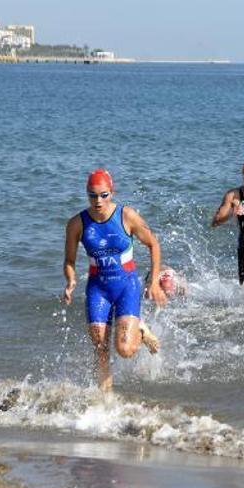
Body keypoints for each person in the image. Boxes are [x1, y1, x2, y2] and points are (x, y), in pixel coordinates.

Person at [62, 168, 166, 392]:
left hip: (126, 285)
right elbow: (69, 261)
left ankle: (139, 329)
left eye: (103, 195)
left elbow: (153, 244)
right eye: (92, 195)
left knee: (125, 350)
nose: (98, 201)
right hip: (98, 288)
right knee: (100, 346)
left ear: (112, 192)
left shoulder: (126, 216)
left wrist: (154, 281)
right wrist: (70, 281)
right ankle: (105, 401)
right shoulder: (76, 224)